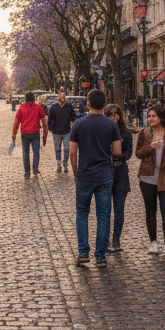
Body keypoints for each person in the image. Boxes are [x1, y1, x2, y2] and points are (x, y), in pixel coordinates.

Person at [69, 89, 122, 266]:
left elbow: (72, 152)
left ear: (88, 104)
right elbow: (117, 151)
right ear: (105, 104)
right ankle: (100, 256)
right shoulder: (111, 125)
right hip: (104, 175)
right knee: (104, 215)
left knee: (82, 214)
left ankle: (83, 253)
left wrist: (76, 173)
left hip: (84, 175)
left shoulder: (78, 124)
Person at [135, 103, 165, 255]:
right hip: (147, 178)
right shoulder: (145, 133)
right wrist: (151, 148)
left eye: (153, 116)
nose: (150, 118)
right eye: (149, 116)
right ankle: (153, 241)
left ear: (161, 117)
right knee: (150, 210)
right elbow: (138, 153)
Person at [103, 103, 133, 254]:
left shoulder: (125, 132)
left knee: (119, 209)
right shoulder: (102, 131)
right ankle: (106, 240)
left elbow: (129, 153)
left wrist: (118, 155)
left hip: (121, 173)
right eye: (111, 114)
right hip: (106, 174)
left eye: (116, 113)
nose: (114, 116)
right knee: (106, 210)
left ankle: (116, 239)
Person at [10, 91, 48, 178]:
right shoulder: (38, 108)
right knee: (36, 152)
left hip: (25, 133)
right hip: (35, 133)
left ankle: (27, 172)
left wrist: (14, 135)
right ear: (34, 98)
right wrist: (44, 135)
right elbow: (44, 120)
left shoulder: (22, 108)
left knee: (25, 153)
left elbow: (16, 122)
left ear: (25, 99)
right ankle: (35, 169)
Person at [47, 92, 76, 173]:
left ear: (65, 98)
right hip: (56, 131)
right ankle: (59, 164)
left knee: (66, 149)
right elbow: (50, 118)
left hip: (67, 131)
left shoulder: (69, 107)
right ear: (57, 98)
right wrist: (49, 127)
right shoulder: (53, 107)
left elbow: (73, 117)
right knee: (58, 149)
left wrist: (74, 126)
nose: (61, 98)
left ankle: (65, 164)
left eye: (63, 96)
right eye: (60, 96)